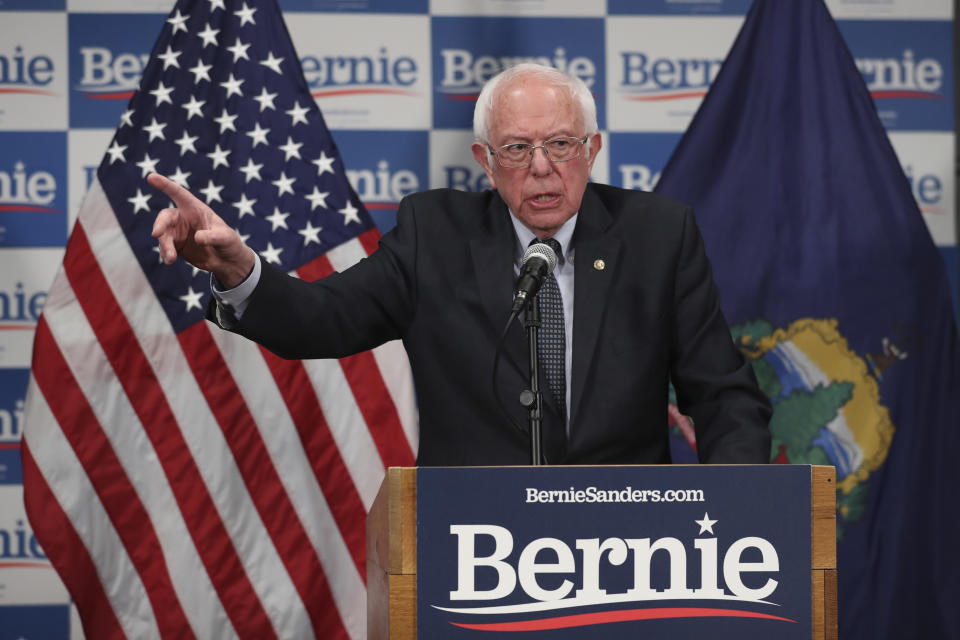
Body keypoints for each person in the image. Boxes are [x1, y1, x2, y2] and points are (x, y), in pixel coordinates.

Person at [149, 63, 771, 466]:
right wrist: (237, 268)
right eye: (518, 149)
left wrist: (734, 508)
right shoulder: (434, 234)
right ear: (485, 160)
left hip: (630, 545)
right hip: (474, 548)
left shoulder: (659, 236)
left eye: (560, 144)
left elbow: (722, 395)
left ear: (593, 149)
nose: (542, 167)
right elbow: (323, 319)